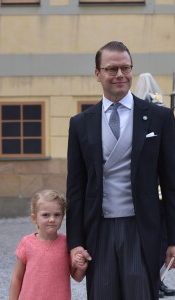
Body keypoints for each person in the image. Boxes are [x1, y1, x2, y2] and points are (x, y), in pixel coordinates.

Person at [66, 41, 175, 300]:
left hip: (142, 226)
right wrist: (75, 243)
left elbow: (171, 184)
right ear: (97, 73)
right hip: (98, 228)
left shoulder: (159, 117)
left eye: (125, 68)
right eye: (111, 69)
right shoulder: (81, 123)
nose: (120, 75)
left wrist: (173, 239)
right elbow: (76, 189)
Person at [135, 73, 175, 298]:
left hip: (163, 191)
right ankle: (151, 280)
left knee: (163, 240)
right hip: (149, 192)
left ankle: (157, 279)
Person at [9, 189, 87, 300]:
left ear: (63, 216)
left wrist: (81, 267)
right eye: (45, 215)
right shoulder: (26, 243)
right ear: (34, 218)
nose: (52, 219)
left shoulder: (67, 244)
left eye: (57, 215)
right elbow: (17, 278)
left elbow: (77, 277)